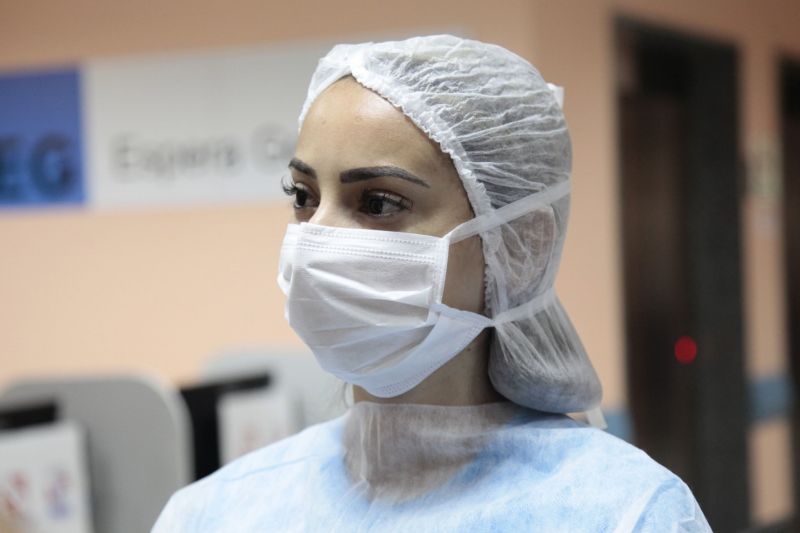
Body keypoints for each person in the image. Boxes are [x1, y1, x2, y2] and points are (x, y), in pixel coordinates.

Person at [153, 34, 710, 532]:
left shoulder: (626, 514)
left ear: (520, 244)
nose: (314, 241)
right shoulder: (213, 513)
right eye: (303, 197)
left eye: (378, 202)